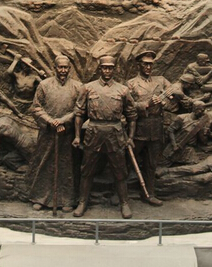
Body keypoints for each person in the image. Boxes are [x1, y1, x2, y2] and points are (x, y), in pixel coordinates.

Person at [72, 55, 137, 219]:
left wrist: (130, 137)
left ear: (114, 69)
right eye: (104, 67)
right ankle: (82, 202)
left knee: (120, 170)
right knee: (87, 170)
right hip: (94, 132)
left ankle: (124, 203)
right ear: (100, 69)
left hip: (115, 133)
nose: (107, 70)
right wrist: (77, 136)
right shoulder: (88, 88)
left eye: (110, 68)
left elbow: (132, 115)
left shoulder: (123, 90)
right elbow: (79, 114)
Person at [26, 56, 82, 212]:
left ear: (69, 69)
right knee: (45, 163)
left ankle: (67, 200)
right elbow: (36, 108)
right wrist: (50, 121)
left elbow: (79, 110)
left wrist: (63, 121)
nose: (63, 70)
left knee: (67, 166)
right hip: (48, 133)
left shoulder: (77, 87)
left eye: (65, 67)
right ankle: (40, 198)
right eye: (60, 67)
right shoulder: (44, 85)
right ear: (55, 68)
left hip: (67, 133)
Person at [126, 51, 170, 206]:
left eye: (151, 64)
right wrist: (146, 104)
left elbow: (173, 95)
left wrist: (165, 102)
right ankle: (120, 193)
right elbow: (128, 106)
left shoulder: (161, 81)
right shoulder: (131, 84)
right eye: (145, 64)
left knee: (151, 163)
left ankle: (149, 194)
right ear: (139, 65)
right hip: (138, 127)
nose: (148, 67)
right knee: (127, 161)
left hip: (155, 127)